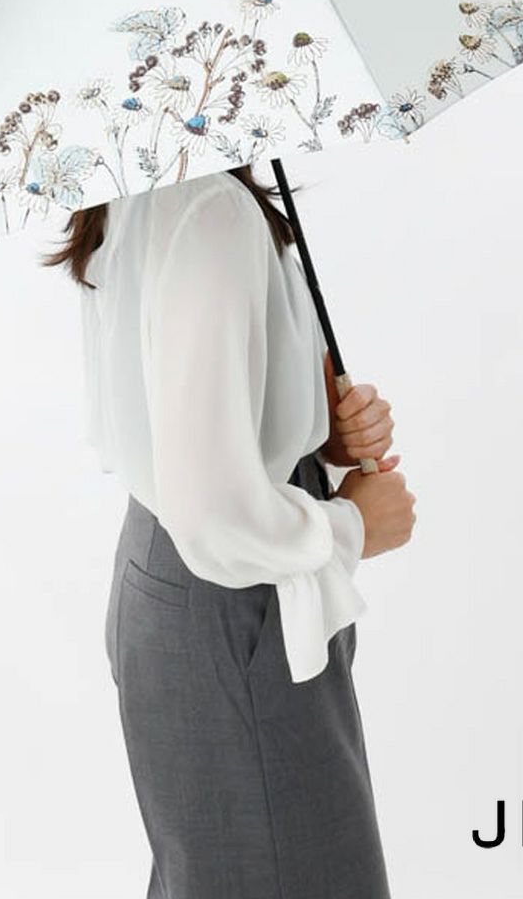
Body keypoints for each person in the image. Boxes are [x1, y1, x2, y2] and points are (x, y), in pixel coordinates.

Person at [45, 165, 416, 899]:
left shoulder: (139, 188)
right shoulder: (213, 208)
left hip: (172, 580)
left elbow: (168, 408)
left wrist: (313, 422)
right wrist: (352, 526)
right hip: (234, 596)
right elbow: (213, 510)